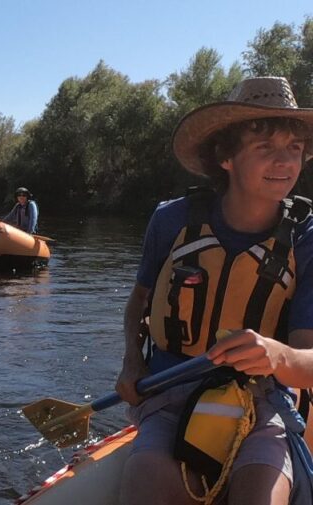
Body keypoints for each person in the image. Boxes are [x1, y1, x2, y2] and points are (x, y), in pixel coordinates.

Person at [115, 76, 313, 505]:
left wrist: (277, 357)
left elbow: (307, 361)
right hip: (169, 394)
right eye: (265, 148)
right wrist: (132, 363)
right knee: (145, 480)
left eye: (294, 149)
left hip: (263, 402)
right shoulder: (171, 220)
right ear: (226, 157)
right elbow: (139, 303)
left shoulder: (307, 237)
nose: (284, 162)